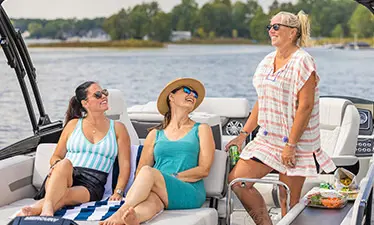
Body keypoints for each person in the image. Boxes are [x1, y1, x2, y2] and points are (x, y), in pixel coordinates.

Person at [226, 11, 336, 225]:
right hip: (267, 138)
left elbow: (305, 106)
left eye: (276, 27)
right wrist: (242, 135)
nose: (271, 31)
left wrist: (291, 145)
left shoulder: (303, 61)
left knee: (288, 199)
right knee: (238, 182)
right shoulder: (267, 61)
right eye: (270, 27)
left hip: (296, 141)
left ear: (292, 32)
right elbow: (262, 101)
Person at [101, 78, 215, 225]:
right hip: (159, 188)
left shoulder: (201, 129)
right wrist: (153, 183)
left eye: (195, 94)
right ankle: (133, 218)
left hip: (189, 189)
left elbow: (204, 170)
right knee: (153, 202)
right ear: (171, 97)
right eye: (187, 90)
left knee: (149, 172)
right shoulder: (155, 134)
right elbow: (140, 170)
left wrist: (168, 178)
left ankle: (121, 211)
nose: (192, 95)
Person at [18, 81, 131, 216]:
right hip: (64, 175)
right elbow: (56, 156)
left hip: (92, 183)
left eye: (104, 92)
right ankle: (47, 209)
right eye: (98, 95)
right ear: (85, 103)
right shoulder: (73, 125)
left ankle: (38, 208)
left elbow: (125, 165)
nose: (104, 97)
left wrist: (118, 191)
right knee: (64, 163)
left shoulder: (118, 128)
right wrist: (56, 166)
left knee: (65, 195)